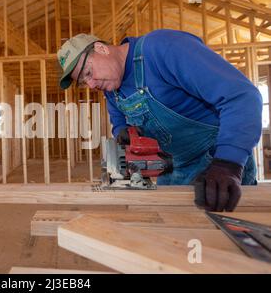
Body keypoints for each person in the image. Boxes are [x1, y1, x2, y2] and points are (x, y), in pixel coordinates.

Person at [57, 30, 262, 212]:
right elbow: (118, 117)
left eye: (88, 73)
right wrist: (122, 132)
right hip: (174, 170)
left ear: (101, 49)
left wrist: (228, 163)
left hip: (216, 170)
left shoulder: (163, 49)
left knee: (225, 246)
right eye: (84, 82)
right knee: (174, 244)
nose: (91, 85)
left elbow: (241, 96)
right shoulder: (112, 88)